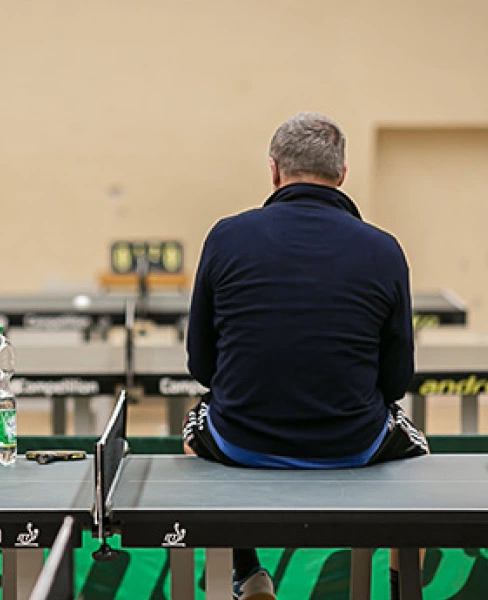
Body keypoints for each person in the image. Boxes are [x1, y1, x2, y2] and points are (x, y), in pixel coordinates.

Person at [183, 111, 428, 600]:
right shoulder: (385, 249)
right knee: (419, 459)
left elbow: (201, 366)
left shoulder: (225, 236)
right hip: (353, 443)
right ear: (342, 174)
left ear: (274, 171)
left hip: (241, 441)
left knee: (193, 431)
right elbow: (397, 378)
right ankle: (403, 590)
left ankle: (247, 572)